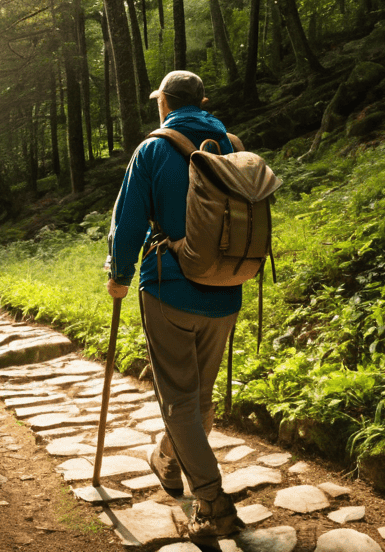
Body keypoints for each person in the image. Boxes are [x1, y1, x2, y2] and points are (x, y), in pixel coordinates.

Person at [105, 70, 245, 546]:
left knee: (180, 400)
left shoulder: (152, 149)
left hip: (168, 286)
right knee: (198, 396)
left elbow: (127, 222)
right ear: (202, 101)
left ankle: (212, 503)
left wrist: (119, 275)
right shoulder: (231, 144)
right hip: (227, 287)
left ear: (164, 102)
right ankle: (166, 458)